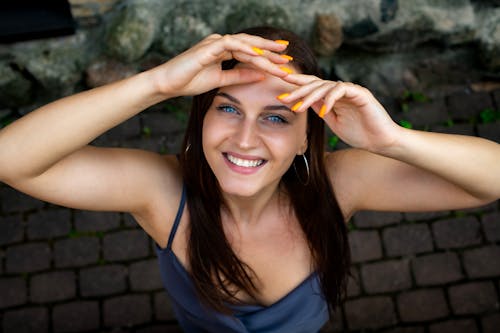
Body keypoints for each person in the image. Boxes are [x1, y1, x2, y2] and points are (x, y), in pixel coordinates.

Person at [0, 26, 499, 332]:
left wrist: (392, 141)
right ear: (201, 119)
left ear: (308, 137)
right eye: (228, 108)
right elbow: (11, 159)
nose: (245, 138)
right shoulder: (161, 193)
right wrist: (155, 84)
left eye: (278, 117)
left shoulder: (341, 183)